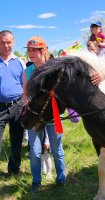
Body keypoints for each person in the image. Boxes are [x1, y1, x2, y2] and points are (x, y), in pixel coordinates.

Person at [22, 36, 66, 192]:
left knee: (56, 149)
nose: (31, 53)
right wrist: (26, 100)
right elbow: (25, 93)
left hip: (52, 115)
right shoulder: (28, 70)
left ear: (44, 51)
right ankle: (36, 181)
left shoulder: (54, 69)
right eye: (29, 50)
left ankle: (61, 178)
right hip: (34, 116)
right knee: (34, 151)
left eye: (35, 50)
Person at [0, 30, 25, 175]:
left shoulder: (20, 62)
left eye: (8, 42)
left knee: (17, 140)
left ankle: (14, 170)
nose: (6, 45)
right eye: (2, 42)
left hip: (17, 106)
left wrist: (23, 102)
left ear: (13, 42)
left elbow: (24, 85)